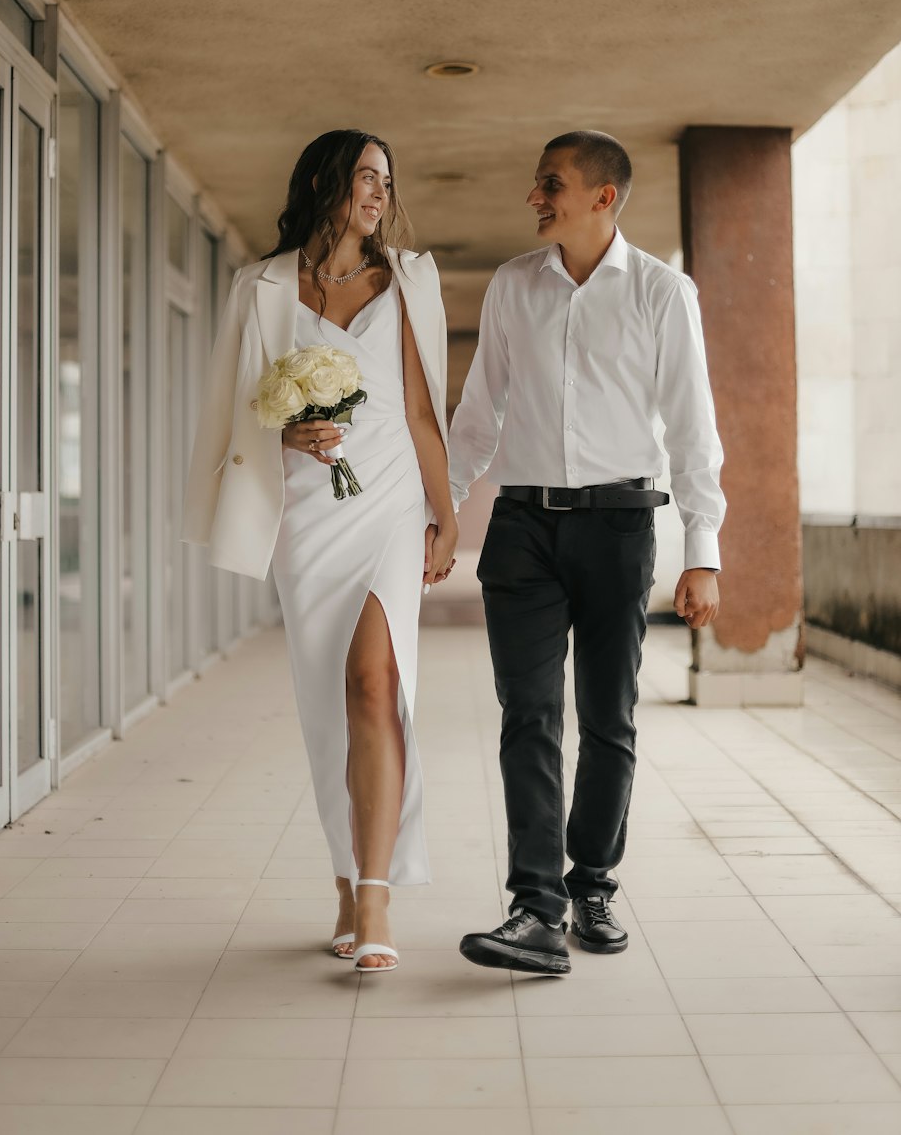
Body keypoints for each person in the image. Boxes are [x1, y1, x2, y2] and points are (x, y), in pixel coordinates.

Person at [449, 129, 724, 975]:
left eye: (551, 183)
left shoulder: (659, 290)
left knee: (609, 716)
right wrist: (441, 510)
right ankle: (535, 908)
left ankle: (592, 881)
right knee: (528, 713)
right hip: (522, 528)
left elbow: (690, 423)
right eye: (538, 183)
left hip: (619, 526)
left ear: (604, 196)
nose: (536, 196)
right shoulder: (510, 286)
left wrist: (702, 545)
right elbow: (477, 414)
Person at [182, 129, 456, 973]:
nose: (379, 193)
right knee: (325, 704)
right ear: (326, 182)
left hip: (388, 503)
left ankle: (375, 894)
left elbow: (419, 410)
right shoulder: (259, 285)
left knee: (377, 684)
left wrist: (447, 515)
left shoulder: (409, 278)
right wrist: (287, 431)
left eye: (387, 180)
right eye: (367, 176)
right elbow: (236, 410)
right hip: (305, 512)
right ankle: (346, 875)